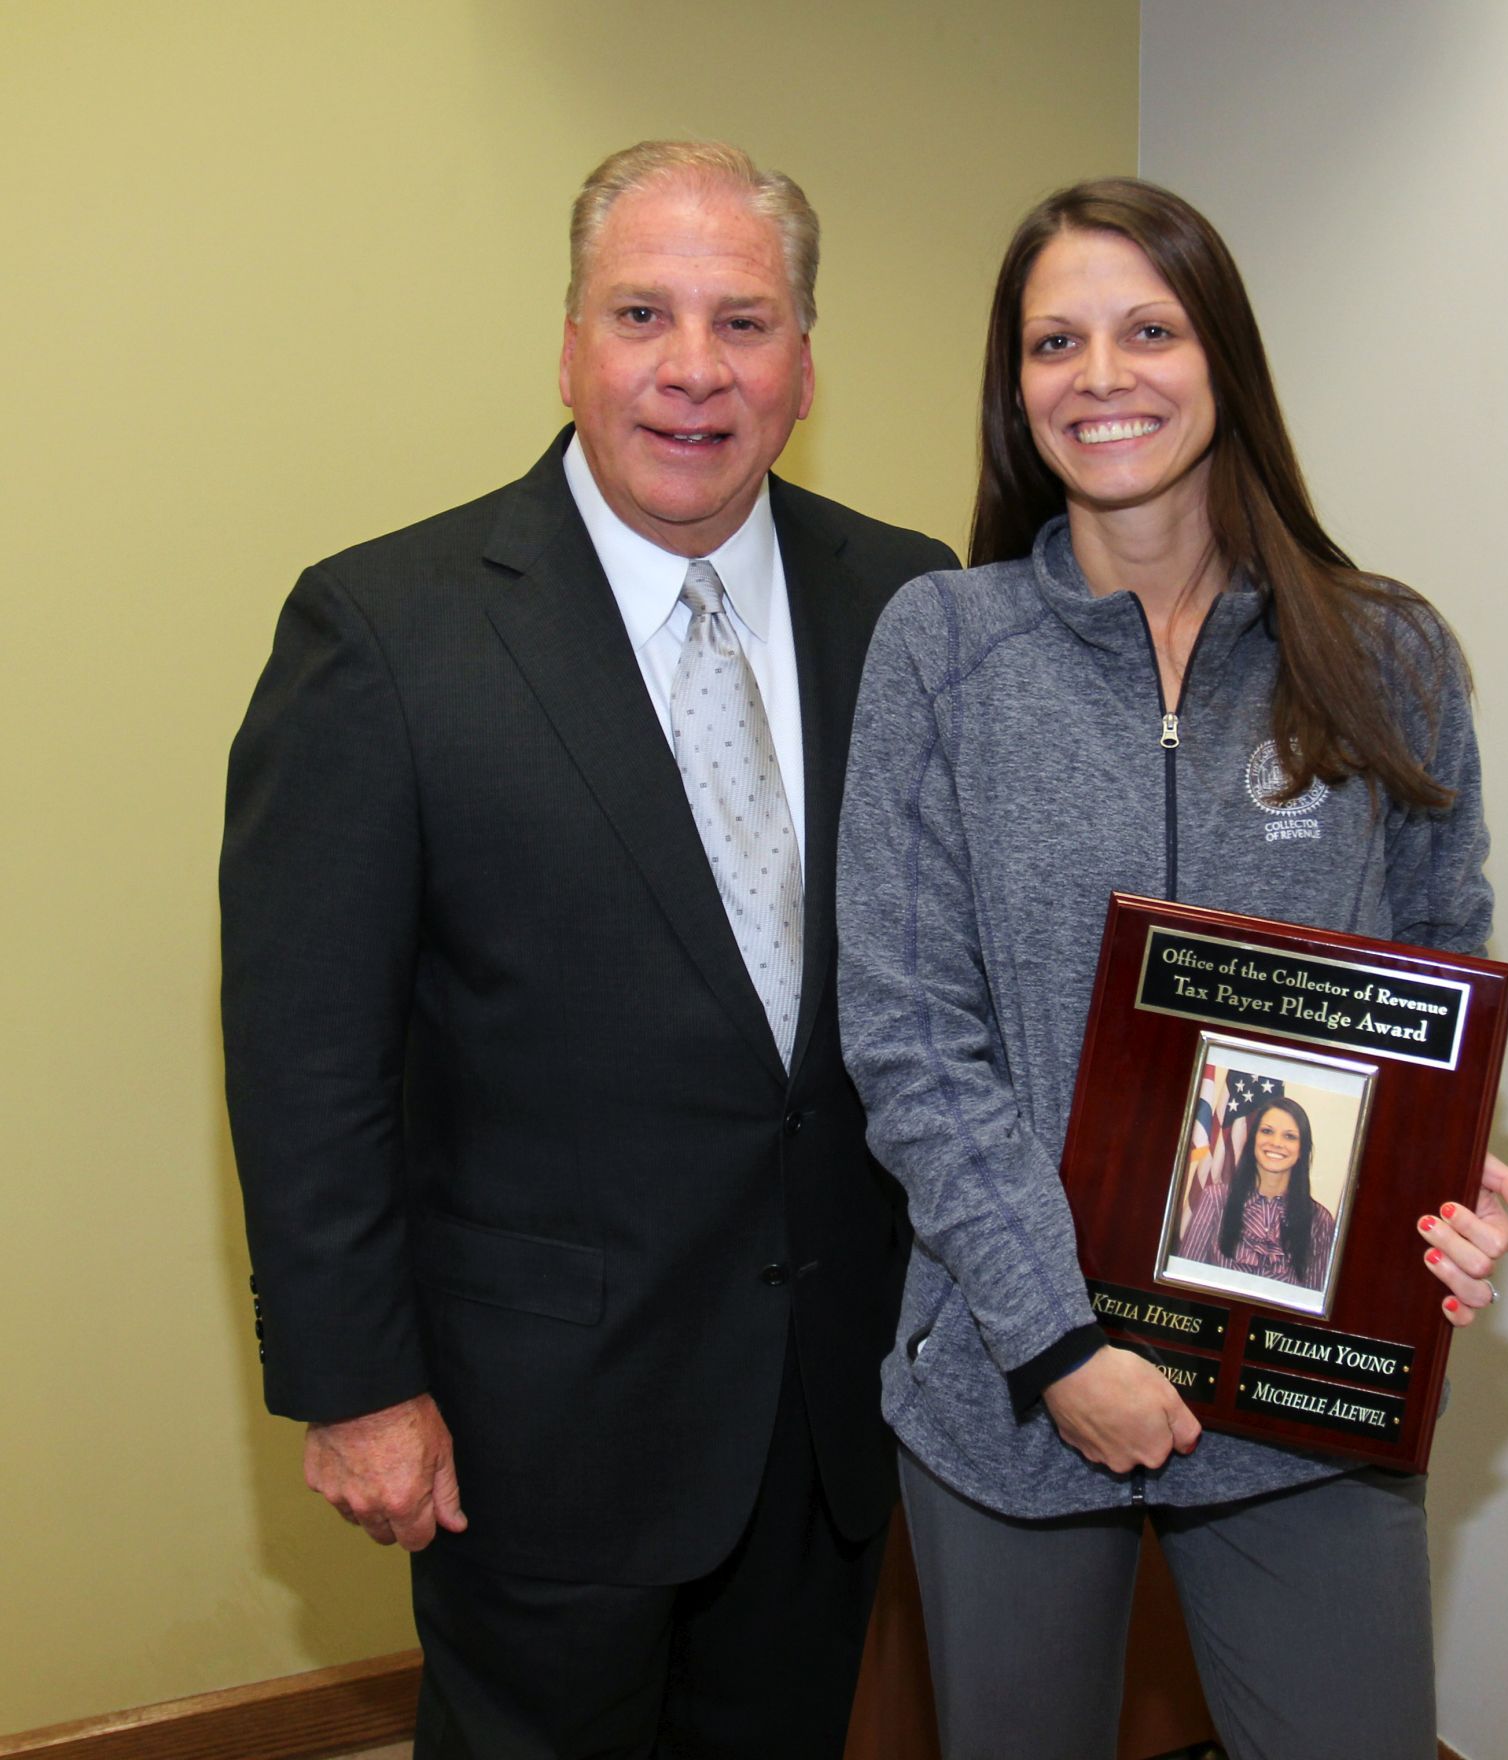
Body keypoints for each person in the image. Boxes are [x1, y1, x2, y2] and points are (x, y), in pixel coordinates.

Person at [221, 140, 955, 1760]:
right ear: (567, 342)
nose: (692, 370)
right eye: (641, 313)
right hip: (531, 1424)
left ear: (805, 361)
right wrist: (355, 1385)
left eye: (743, 322)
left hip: (823, 1416)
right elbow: (306, 1058)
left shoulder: (905, 600)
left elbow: (965, 981)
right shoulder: (385, 632)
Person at [836, 177, 1508, 1760]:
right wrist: (1058, 1341)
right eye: (1052, 342)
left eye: (1146, 330)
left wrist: (1441, 1187)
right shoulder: (941, 648)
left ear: (1221, 357)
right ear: (1012, 390)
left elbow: (1428, 973)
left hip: (1299, 1389)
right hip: (1012, 1387)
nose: (1101, 378)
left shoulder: (1384, 654)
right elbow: (908, 1033)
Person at [1178, 1096, 1335, 1290]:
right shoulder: (1216, 1199)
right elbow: (1184, 1284)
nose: (1276, 1143)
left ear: (1302, 1149)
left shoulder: (1320, 1221)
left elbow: (1312, 1306)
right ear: (1253, 1139)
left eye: (1290, 1136)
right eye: (1267, 1131)